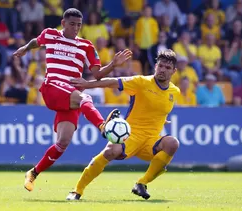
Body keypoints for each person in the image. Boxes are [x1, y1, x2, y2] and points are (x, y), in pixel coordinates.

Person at [12, 8, 132, 192]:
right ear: (63, 23)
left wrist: (113, 65)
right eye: (72, 24)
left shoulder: (86, 46)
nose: (76, 28)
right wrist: (24, 48)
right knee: (86, 97)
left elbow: (97, 74)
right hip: (53, 87)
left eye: (79, 25)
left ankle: (33, 173)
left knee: (63, 142)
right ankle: (103, 127)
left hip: (71, 95)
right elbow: (36, 41)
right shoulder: (51, 34)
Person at [66, 49, 180, 200]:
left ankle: (141, 183)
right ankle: (77, 190)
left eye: (167, 68)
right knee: (109, 152)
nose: (163, 70)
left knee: (173, 143)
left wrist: (161, 118)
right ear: (155, 66)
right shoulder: (141, 82)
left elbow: (159, 108)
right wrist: (87, 84)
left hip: (151, 140)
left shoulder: (175, 91)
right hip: (130, 135)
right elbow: (113, 83)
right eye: (160, 66)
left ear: (174, 71)